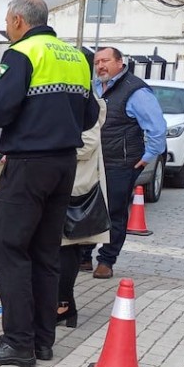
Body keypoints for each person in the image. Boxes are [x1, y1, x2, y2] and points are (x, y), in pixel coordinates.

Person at [0, 0, 99, 367]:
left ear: (17, 20)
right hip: (63, 164)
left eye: (7, 20)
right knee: (45, 252)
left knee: (9, 248)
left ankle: (18, 342)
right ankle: (43, 340)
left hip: (28, 164)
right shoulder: (76, 57)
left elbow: (3, 108)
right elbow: (88, 115)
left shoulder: (22, 53)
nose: (7, 26)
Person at [87, 46, 167, 280]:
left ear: (120, 62)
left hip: (121, 163)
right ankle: (83, 254)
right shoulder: (94, 87)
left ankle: (106, 261)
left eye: (106, 61)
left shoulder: (136, 91)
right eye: (97, 61)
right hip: (93, 161)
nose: (101, 65)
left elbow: (156, 127)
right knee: (87, 207)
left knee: (114, 212)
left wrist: (148, 156)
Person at [59, 101, 109, 328]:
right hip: (61, 181)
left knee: (68, 246)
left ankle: (64, 304)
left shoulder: (89, 100)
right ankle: (63, 304)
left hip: (77, 185)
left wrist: (50, 146)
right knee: (57, 248)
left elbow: (88, 142)